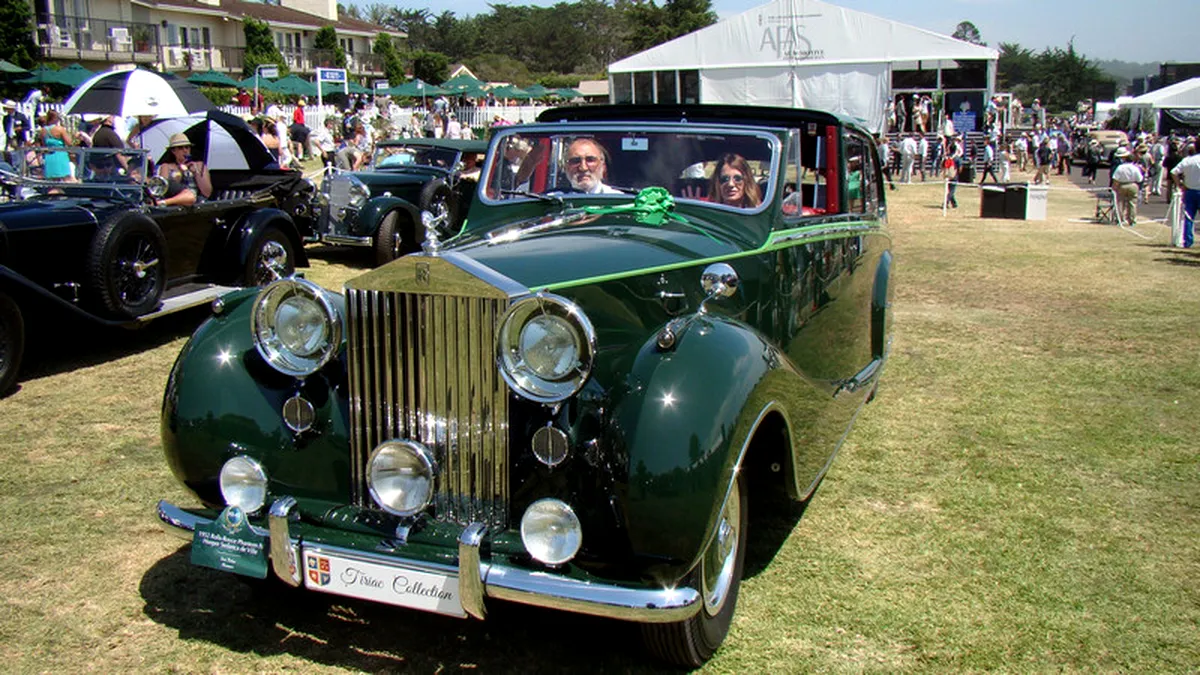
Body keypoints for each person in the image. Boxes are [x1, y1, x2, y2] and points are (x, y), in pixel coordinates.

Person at [157, 132, 212, 201]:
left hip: (196, 200)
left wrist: (196, 173)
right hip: (175, 201)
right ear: (173, 151)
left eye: (187, 147)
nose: (185, 150)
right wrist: (180, 172)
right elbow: (164, 190)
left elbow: (207, 192)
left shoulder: (199, 165)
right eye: (180, 148)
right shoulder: (166, 167)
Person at [1170, 141, 1200, 247]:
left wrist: (1180, 185)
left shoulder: (1188, 160)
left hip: (1190, 190)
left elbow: (1174, 172)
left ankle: (1188, 241)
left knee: (1188, 217)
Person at [1110, 147, 1144, 226]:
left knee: (1120, 203)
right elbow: (1139, 179)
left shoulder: (1120, 167)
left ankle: (1120, 219)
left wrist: (1114, 188)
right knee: (1132, 203)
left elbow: (1115, 179)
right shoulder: (1135, 168)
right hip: (1132, 184)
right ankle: (1132, 220)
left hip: (1122, 185)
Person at [37, 110, 73, 181]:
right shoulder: (60, 129)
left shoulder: (43, 130)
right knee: (66, 177)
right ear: (55, 118)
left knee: (53, 180)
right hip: (60, 154)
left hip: (49, 155)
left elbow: (44, 144)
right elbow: (69, 142)